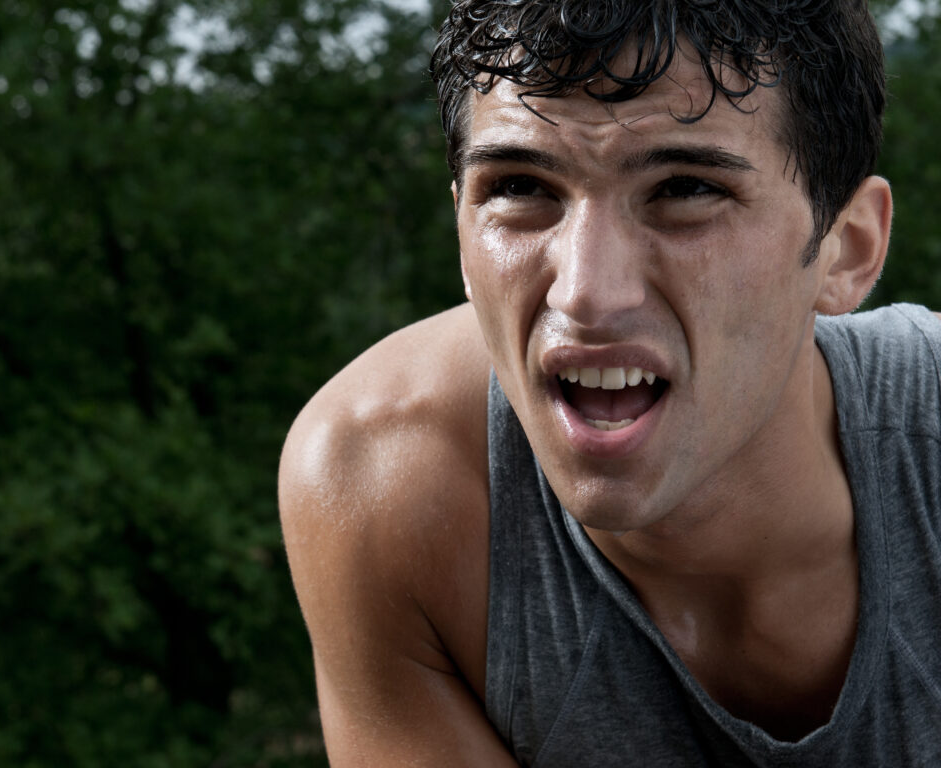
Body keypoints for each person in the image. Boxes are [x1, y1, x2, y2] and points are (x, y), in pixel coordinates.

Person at [279, 0, 941, 764]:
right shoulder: (389, 478)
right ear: (461, 234)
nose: (586, 293)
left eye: (686, 189)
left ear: (847, 248)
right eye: (522, 186)